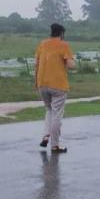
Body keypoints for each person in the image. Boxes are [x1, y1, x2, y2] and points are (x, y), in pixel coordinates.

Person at [34, 22, 76, 153]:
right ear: (62, 34)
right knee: (57, 114)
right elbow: (70, 65)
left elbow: (36, 64)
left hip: (42, 83)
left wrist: (36, 81)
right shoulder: (63, 45)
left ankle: (46, 135)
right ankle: (55, 145)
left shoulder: (42, 44)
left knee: (49, 110)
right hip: (58, 85)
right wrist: (73, 62)